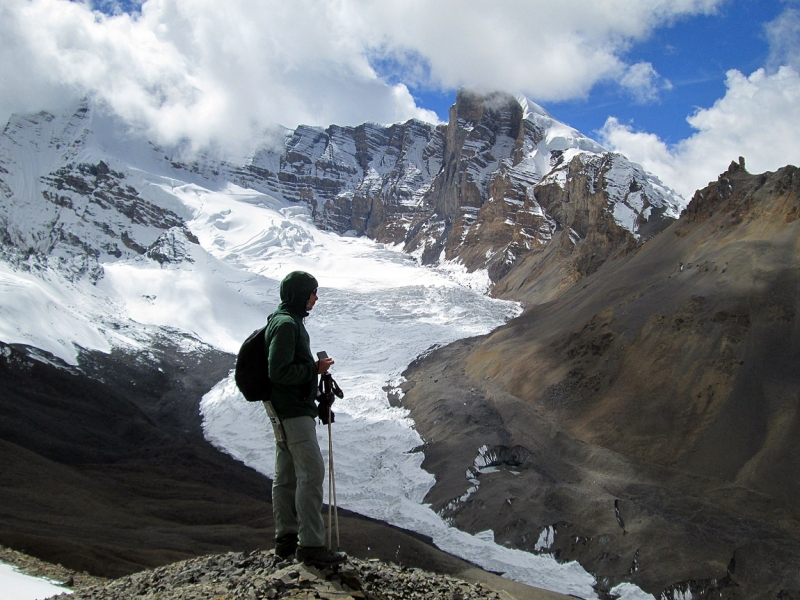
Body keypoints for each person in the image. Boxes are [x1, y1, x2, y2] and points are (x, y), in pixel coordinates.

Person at [265, 271, 347, 567]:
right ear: (300, 294)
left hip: (283, 411)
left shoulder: (283, 320)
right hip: (294, 412)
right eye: (312, 292)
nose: (315, 297)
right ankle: (310, 546)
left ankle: (285, 540)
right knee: (311, 473)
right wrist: (315, 369)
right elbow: (279, 372)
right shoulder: (287, 325)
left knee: (285, 477)